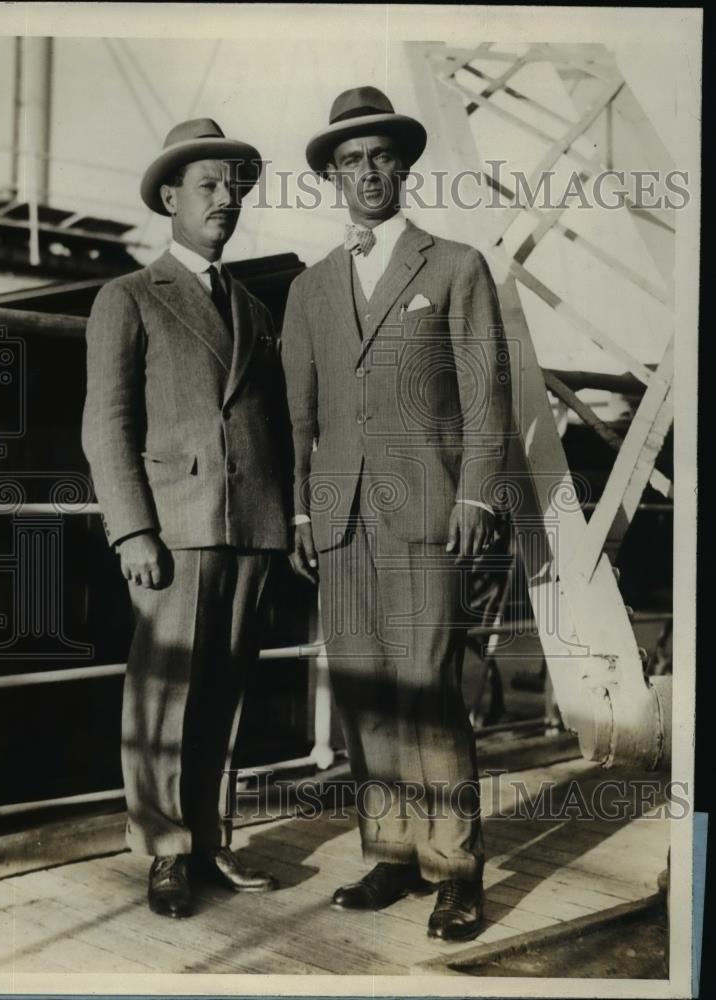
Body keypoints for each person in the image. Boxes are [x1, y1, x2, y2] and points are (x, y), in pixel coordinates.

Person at [280, 87, 512, 940]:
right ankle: (392, 852)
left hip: (425, 511)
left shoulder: (454, 266)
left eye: (380, 156)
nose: (367, 172)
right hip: (339, 522)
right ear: (333, 178)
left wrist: (478, 492)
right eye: (350, 161)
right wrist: (305, 518)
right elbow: (300, 418)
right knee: (366, 690)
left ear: (403, 164)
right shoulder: (309, 288)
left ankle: (455, 868)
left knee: (427, 687)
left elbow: (488, 394)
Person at [82, 118, 289, 918]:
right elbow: (107, 423)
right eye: (208, 185)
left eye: (234, 186)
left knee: (226, 692)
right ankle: (165, 849)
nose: (225, 198)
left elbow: (271, 422)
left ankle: (209, 838)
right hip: (173, 527)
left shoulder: (249, 304)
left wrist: (287, 518)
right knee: (164, 692)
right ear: (169, 196)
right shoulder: (128, 296)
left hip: (251, 525)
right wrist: (131, 529)